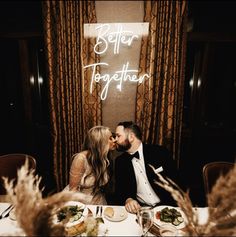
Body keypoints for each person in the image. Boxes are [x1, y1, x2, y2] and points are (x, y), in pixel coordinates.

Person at [114, 121, 180, 214]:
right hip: (140, 210)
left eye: (118, 136)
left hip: (166, 207)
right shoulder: (120, 162)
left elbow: (176, 181)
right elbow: (121, 190)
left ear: (131, 137)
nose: (115, 139)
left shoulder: (160, 152)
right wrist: (128, 199)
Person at [65, 125, 116, 205]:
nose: (114, 140)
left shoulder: (106, 158)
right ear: (100, 141)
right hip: (79, 200)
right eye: (110, 138)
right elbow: (73, 190)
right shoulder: (81, 159)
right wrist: (83, 209)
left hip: (97, 198)